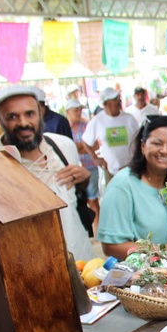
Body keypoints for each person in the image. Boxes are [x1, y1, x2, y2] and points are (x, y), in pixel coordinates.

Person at [0, 85, 94, 261]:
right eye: (12, 117)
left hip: (80, 258)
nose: (23, 123)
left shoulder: (63, 146)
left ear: (40, 114)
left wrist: (84, 179)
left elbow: (73, 195)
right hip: (31, 266)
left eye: (30, 114)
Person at [97, 116, 167, 260]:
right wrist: (161, 250)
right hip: (136, 272)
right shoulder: (122, 185)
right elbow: (111, 246)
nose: (164, 151)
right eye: (157, 143)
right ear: (143, 146)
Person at [81, 87, 139, 177]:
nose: (119, 101)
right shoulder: (97, 121)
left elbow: (139, 139)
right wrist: (95, 158)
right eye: (115, 99)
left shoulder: (129, 118)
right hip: (111, 171)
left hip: (131, 169)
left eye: (118, 98)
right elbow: (85, 141)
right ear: (106, 103)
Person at [66, 99, 100, 233]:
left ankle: (97, 230)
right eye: (76, 110)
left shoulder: (86, 125)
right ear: (68, 112)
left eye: (80, 109)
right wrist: (84, 146)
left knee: (93, 200)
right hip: (73, 169)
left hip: (89, 166)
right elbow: (71, 148)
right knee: (78, 202)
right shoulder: (64, 128)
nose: (79, 112)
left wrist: (77, 147)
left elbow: (95, 145)